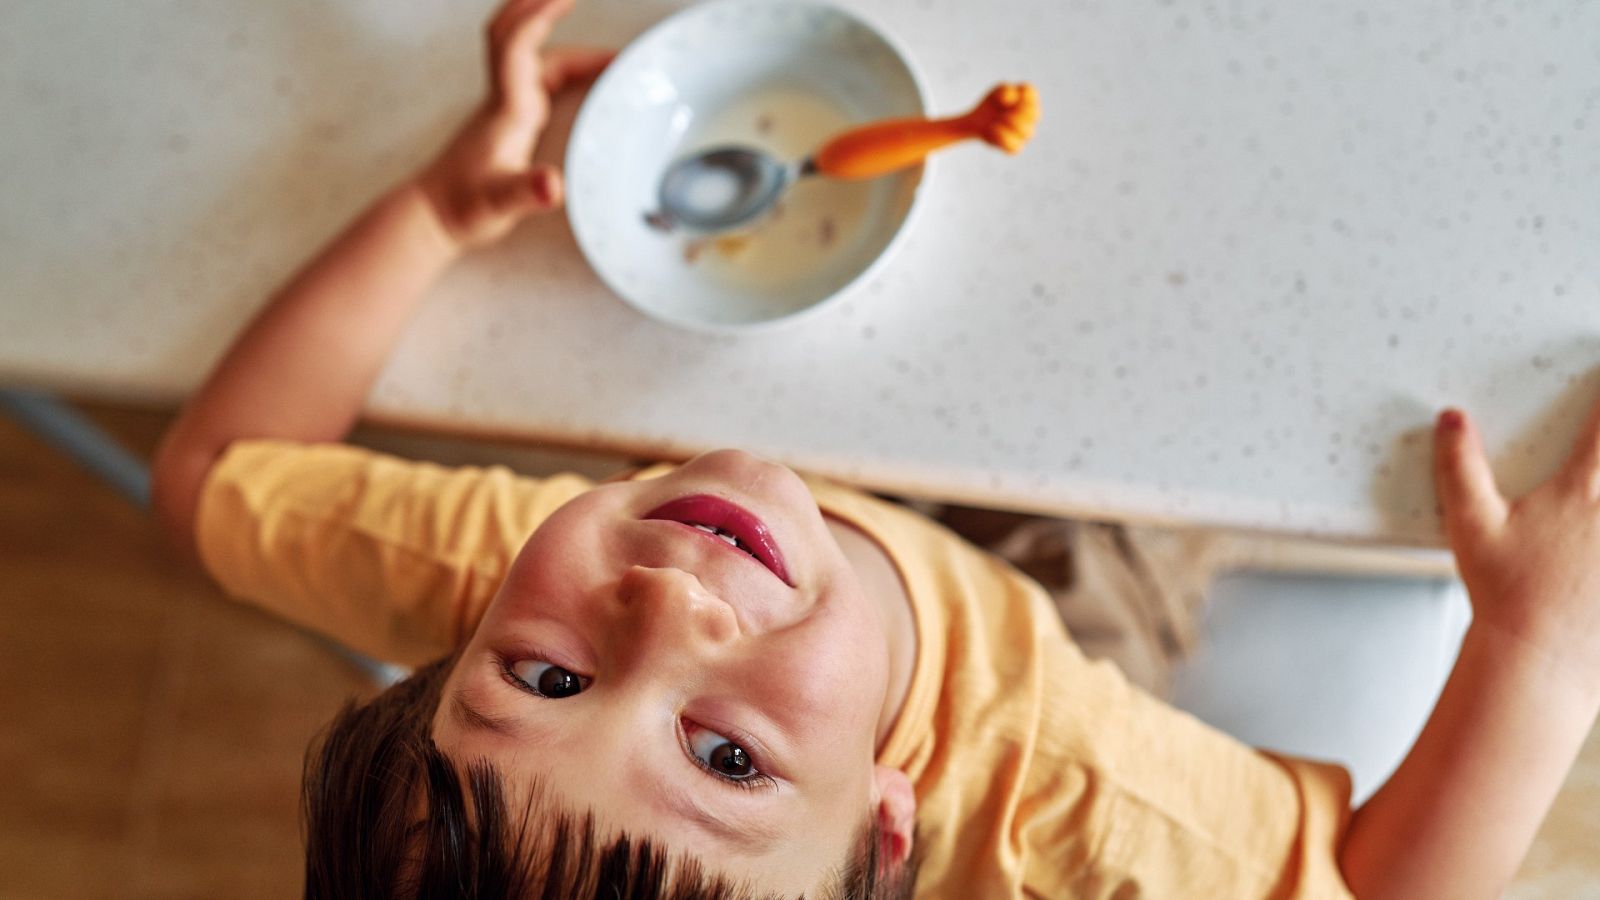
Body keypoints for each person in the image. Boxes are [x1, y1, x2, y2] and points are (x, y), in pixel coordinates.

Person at [150, 0, 1600, 896]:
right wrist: (1541, 638)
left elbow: (207, 476)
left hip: (828, 492)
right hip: (1063, 603)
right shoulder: (1074, 806)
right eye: (725, 757)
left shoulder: (487, 579)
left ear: (442, 662)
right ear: (887, 829)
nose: (664, 606)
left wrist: (437, 212)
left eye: (542, 676)